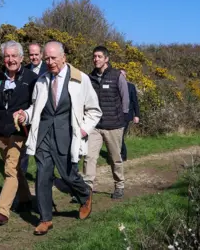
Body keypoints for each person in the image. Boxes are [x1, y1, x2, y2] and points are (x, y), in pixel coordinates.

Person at [15, 41, 102, 235]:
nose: (50, 62)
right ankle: (45, 219)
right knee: (42, 175)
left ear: (64, 57)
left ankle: (85, 194)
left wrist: (83, 130)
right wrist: (25, 116)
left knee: (68, 175)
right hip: (43, 135)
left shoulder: (81, 79)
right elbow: (35, 107)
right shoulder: (42, 80)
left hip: (68, 136)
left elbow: (95, 111)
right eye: (47, 58)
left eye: (53, 58)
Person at [0, 41, 38, 226]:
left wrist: (26, 116)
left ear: (21, 58)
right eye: (7, 56)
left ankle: (2, 211)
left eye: (14, 56)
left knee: (10, 169)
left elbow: (37, 105)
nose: (10, 60)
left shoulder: (32, 79)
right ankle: (25, 199)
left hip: (20, 131)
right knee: (15, 170)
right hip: (2, 132)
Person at [83, 46, 129, 199]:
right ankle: (87, 189)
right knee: (89, 157)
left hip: (114, 125)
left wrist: (121, 119)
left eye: (99, 56)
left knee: (115, 158)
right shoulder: (89, 78)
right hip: (95, 126)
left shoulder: (117, 76)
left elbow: (125, 100)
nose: (96, 59)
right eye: (94, 56)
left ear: (106, 59)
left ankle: (119, 186)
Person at [20, 43, 49, 174]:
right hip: (28, 113)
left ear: (41, 54)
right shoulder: (24, 70)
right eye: (31, 54)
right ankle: (22, 177)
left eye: (36, 54)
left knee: (42, 148)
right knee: (24, 148)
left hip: (43, 113)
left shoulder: (48, 68)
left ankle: (43, 175)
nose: (34, 57)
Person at [120, 69, 140, 162]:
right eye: (120, 74)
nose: (121, 76)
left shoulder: (131, 86)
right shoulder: (115, 85)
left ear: (126, 76)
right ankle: (118, 155)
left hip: (127, 115)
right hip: (115, 115)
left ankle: (123, 155)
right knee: (116, 136)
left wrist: (137, 115)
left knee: (120, 135)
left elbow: (135, 101)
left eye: (123, 74)